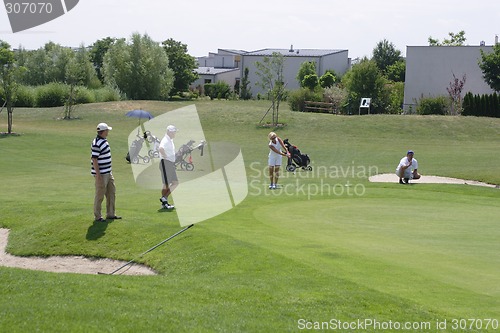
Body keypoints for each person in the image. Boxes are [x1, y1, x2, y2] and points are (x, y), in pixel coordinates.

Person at [91, 123, 121, 222]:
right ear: (103, 132)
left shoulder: (104, 141)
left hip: (108, 172)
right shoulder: (97, 143)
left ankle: (111, 214)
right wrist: (98, 175)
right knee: (99, 195)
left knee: (111, 193)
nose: (108, 132)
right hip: (101, 174)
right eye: (107, 130)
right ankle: (98, 216)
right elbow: (94, 159)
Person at [159, 125, 179, 209]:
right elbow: (160, 148)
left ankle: (164, 200)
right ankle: (164, 200)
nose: (175, 133)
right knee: (168, 183)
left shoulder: (170, 140)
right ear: (169, 132)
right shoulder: (165, 140)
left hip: (169, 164)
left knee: (174, 182)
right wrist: (166, 157)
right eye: (174, 132)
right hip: (166, 163)